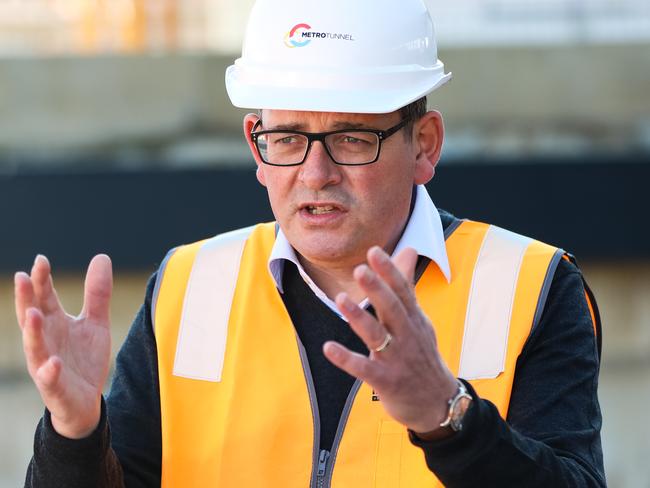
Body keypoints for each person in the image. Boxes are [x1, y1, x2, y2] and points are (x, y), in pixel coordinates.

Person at [15, 0, 605, 486]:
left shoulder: (531, 287)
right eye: (289, 137)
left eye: (350, 138)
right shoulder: (188, 287)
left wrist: (449, 419)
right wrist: (75, 431)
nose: (315, 173)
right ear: (256, 144)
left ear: (424, 144)